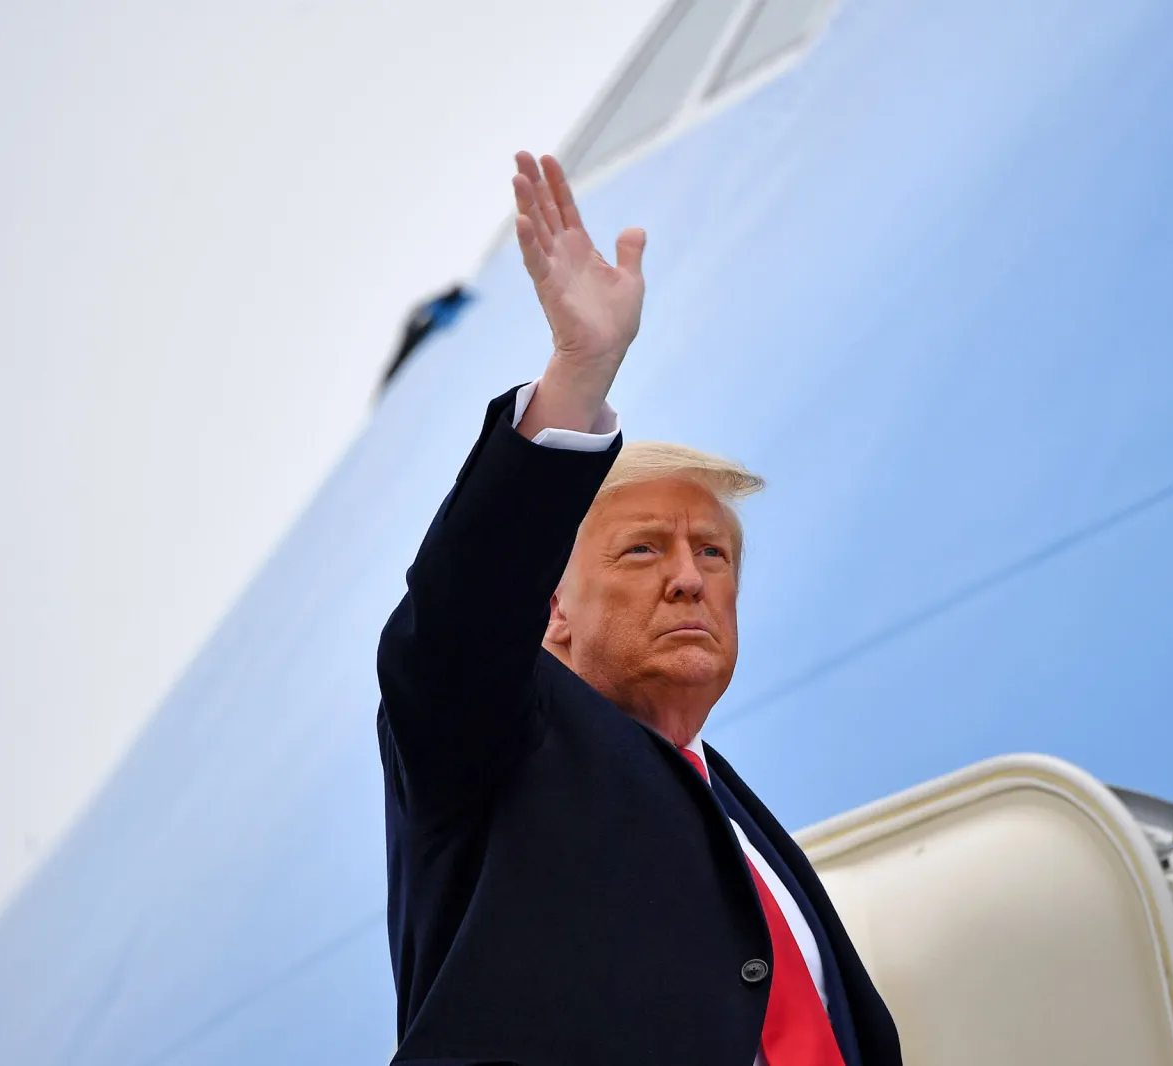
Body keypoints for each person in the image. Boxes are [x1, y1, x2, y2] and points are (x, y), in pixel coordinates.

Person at [376, 151, 902, 1066]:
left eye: (714, 554)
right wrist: (580, 375)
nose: (691, 579)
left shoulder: (731, 814)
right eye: (644, 550)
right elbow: (462, 616)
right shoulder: (498, 743)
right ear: (551, 613)